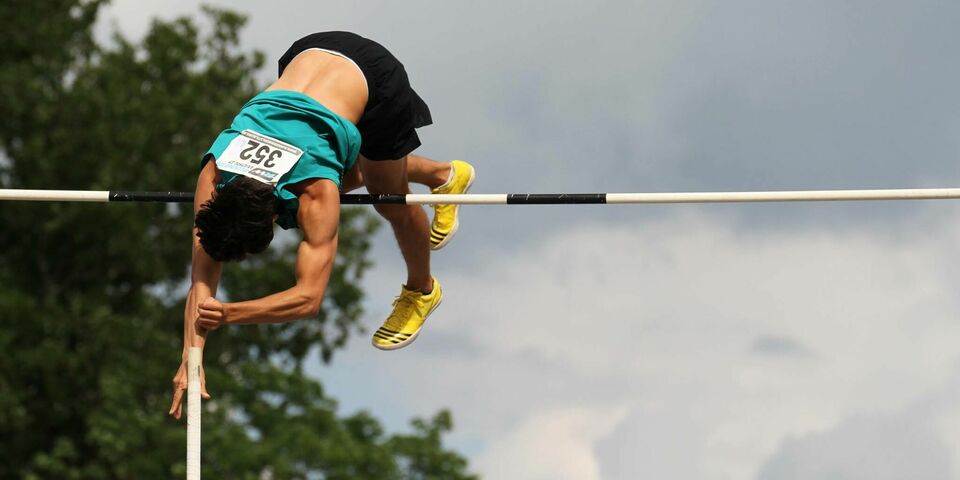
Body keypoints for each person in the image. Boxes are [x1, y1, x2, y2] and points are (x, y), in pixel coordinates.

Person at [168, 31, 475, 419]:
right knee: (362, 172)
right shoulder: (215, 172)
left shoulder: (316, 194)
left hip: (376, 80)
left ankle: (422, 290)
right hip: (310, 51)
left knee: (389, 199)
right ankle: (443, 174)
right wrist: (190, 358)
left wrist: (230, 313)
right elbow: (202, 276)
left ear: (275, 218)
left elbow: (308, 298)